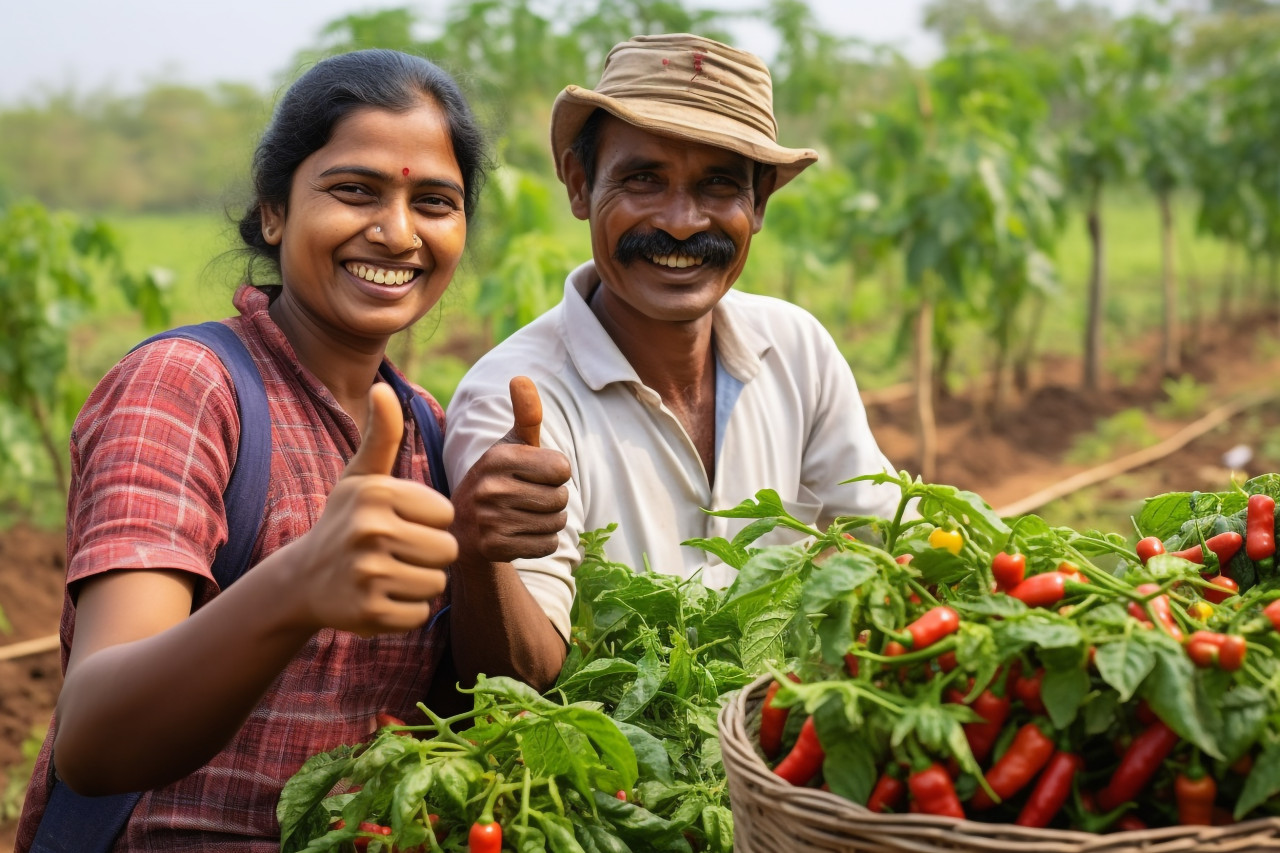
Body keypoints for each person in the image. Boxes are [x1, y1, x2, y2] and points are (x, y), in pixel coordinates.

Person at [16, 48, 562, 852]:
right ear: (274, 211)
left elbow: (482, 704)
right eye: (355, 190)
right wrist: (300, 582)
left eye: (435, 201)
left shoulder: (430, 434)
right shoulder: (187, 388)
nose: (397, 230)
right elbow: (95, 737)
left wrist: (480, 546)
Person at [444, 33, 903, 647]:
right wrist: (480, 557)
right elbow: (521, 671)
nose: (682, 223)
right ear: (580, 185)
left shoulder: (798, 349)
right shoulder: (516, 400)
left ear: (759, 201)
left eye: (718, 185)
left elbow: (886, 542)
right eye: (643, 180)